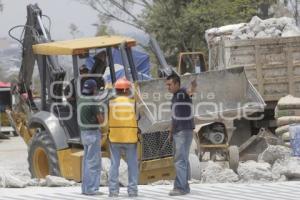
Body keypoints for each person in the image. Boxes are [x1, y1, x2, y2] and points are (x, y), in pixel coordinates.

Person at [165, 73, 197, 196]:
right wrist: (171, 132)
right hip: (178, 131)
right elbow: (174, 117)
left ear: (177, 84)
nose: (168, 87)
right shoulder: (174, 97)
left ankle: (181, 188)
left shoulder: (182, 92)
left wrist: (193, 85)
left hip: (184, 131)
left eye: (170, 84)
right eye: (167, 85)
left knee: (180, 160)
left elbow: (191, 91)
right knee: (181, 159)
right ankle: (184, 186)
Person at [108, 78, 139, 198]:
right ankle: (132, 191)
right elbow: (138, 116)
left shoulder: (111, 102)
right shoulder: (132, 102)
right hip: (130, 137)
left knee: (114, 166)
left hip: (114, 137)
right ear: (127, 90)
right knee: (132, 165)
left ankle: (113, 192)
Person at [79, 79, 105, 196]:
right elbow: (101, 121)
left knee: (86, 162)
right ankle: (92, 189)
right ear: (94, 89)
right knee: (93, 163)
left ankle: (85, 188)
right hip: (93, 134)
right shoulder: (93, 102)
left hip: (84, 134)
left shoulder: (81, 99)